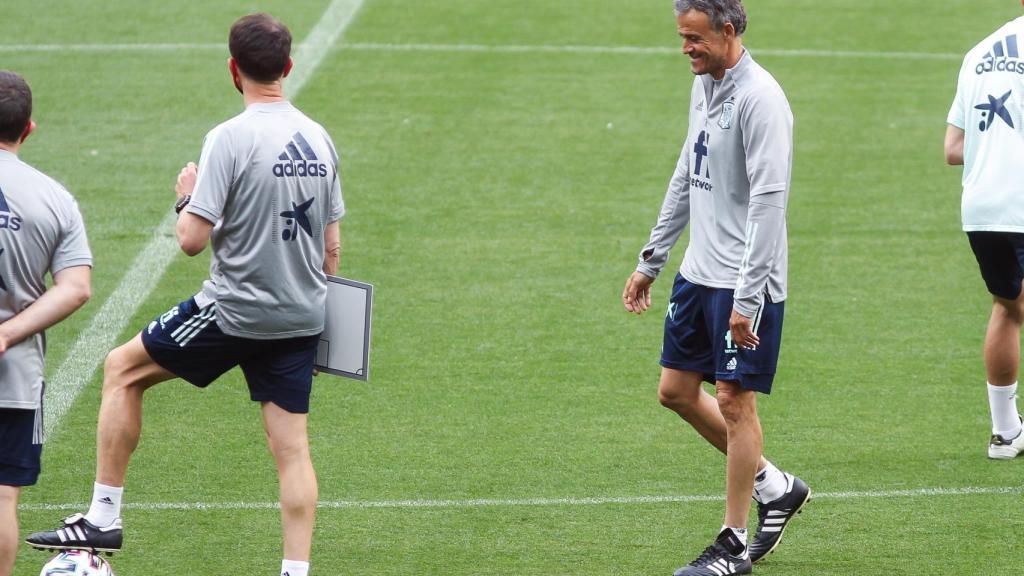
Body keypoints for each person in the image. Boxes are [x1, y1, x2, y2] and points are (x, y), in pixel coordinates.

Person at [27, 14, 344, 576]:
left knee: (122, 369)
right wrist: (319, 328)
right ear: (288, 68)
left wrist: (187, 198)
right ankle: (296, 571)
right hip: (301, 317)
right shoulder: (320, 138)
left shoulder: (230, 137)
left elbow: (193, 241)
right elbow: (331, 249)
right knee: (291, 450)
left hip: (233, 311)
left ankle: (103, 515)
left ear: (233, 69)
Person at [621, 1, 809, 574]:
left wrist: (747, 299)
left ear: (728, 32)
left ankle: (731, 544)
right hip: (699, 273)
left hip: (744, 282)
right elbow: (688, 171)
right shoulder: (706, 84)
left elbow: (769, 205)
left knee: (733, 400)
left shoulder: (762, 101)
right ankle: (774, 486)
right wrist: (652, 258)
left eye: (695, 38)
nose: (686, 49)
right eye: (682, 37)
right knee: (676, 391)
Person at [0, 70, 93, 576]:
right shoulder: (54, 198)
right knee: (1, 496)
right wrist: (8, 333)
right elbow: (75, 287)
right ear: (28, 128)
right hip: (12, 375)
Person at [945, 2, 1024, 459]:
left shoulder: (978, 52)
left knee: (1008, 306)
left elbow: (953, 148)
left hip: (981, 207)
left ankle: (1006, 431)